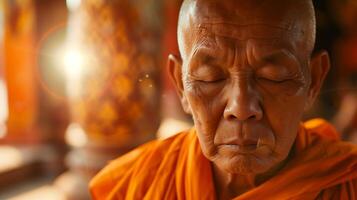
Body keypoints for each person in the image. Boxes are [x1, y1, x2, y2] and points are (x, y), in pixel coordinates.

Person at [90, 0, 357, 199]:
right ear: (181, 85)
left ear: (314, 81)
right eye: (209, 78)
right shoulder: (138, 184)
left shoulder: (347, 183)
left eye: (273, 77)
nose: (240, 107)